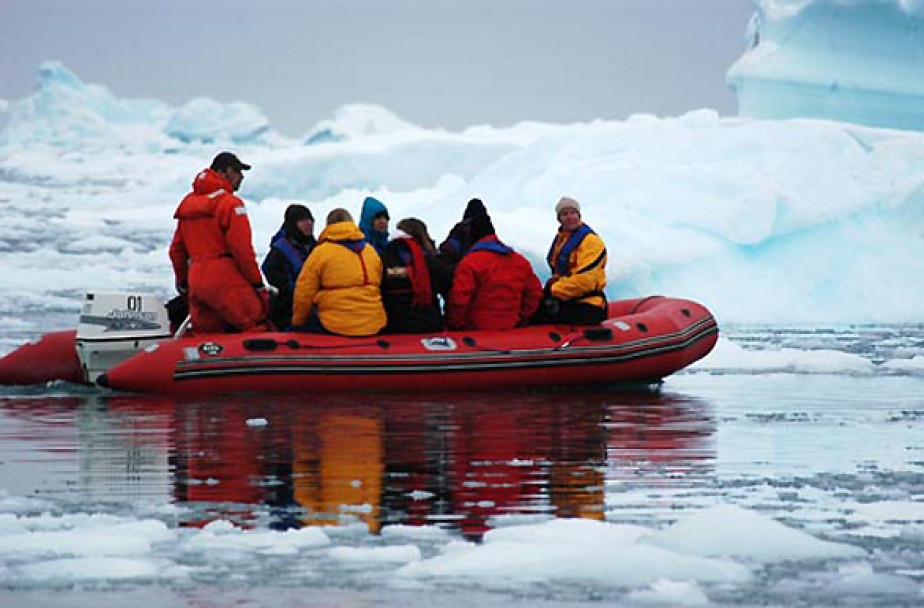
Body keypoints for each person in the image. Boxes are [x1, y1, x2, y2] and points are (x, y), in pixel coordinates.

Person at [169, 151, 269, 334]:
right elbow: (242, 250)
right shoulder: (230, 204)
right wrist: (257, 284)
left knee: (206, 336)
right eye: (237, 171)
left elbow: (177, 251)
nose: (241, 176)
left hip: (197, 279)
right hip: (223, 278)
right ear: (223, 172)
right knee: (255, 323)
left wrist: (183, 282)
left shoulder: (188, 205)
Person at [445, 204, 542, 331]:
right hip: (512, 329)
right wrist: (523, 317)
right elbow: (534, 293)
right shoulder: (520, 261)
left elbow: (459, 300)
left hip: (476, 331)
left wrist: (456, 324)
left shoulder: (470, 263)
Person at [291, 208, 387, 336]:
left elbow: (304, 292)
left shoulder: (320, 252)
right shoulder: (370, 251)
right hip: (375, 323)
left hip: (334, 324)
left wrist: (298, 322)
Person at [537, 196, 608, 325]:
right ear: (559, 219)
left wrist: (554, 291)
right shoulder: (562, 239)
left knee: (539, 318)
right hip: (568, 298)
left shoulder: (591, 242)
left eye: (573, 213)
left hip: (588, 304)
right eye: (565, 214)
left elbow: (586, 280)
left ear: (579, 215)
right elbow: (560, 272)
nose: (570, 217)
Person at [381, 218, 452, 333]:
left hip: (395, 327)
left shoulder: (385, 258)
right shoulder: (431, 261)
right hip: (430, 325)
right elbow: (448, 288)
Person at [262, 204, 317, 329]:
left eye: (310, 220)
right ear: (293, 223)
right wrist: (293, 290)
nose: (308, 224)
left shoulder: (316, 247)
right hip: (289, 308)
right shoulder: (280, 250)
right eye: (303, 221)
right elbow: (270, 271)